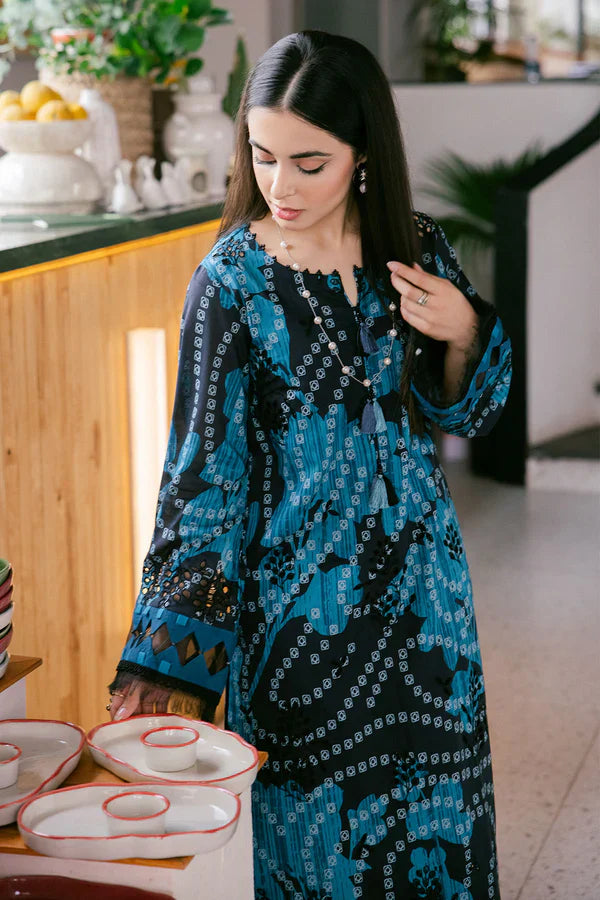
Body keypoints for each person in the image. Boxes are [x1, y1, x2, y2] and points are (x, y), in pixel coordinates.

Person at [108, 30, 511, 900]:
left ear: (363, 155)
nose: (280, 186)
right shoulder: (231, 282)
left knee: (439, 835)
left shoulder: (417, 250)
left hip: (429, 613)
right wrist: (165, 663)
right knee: (312, 851)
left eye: (309, 162)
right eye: (262, 156)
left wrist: (465, 332)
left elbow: (469, 413)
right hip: (299, 629)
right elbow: (201, 480)